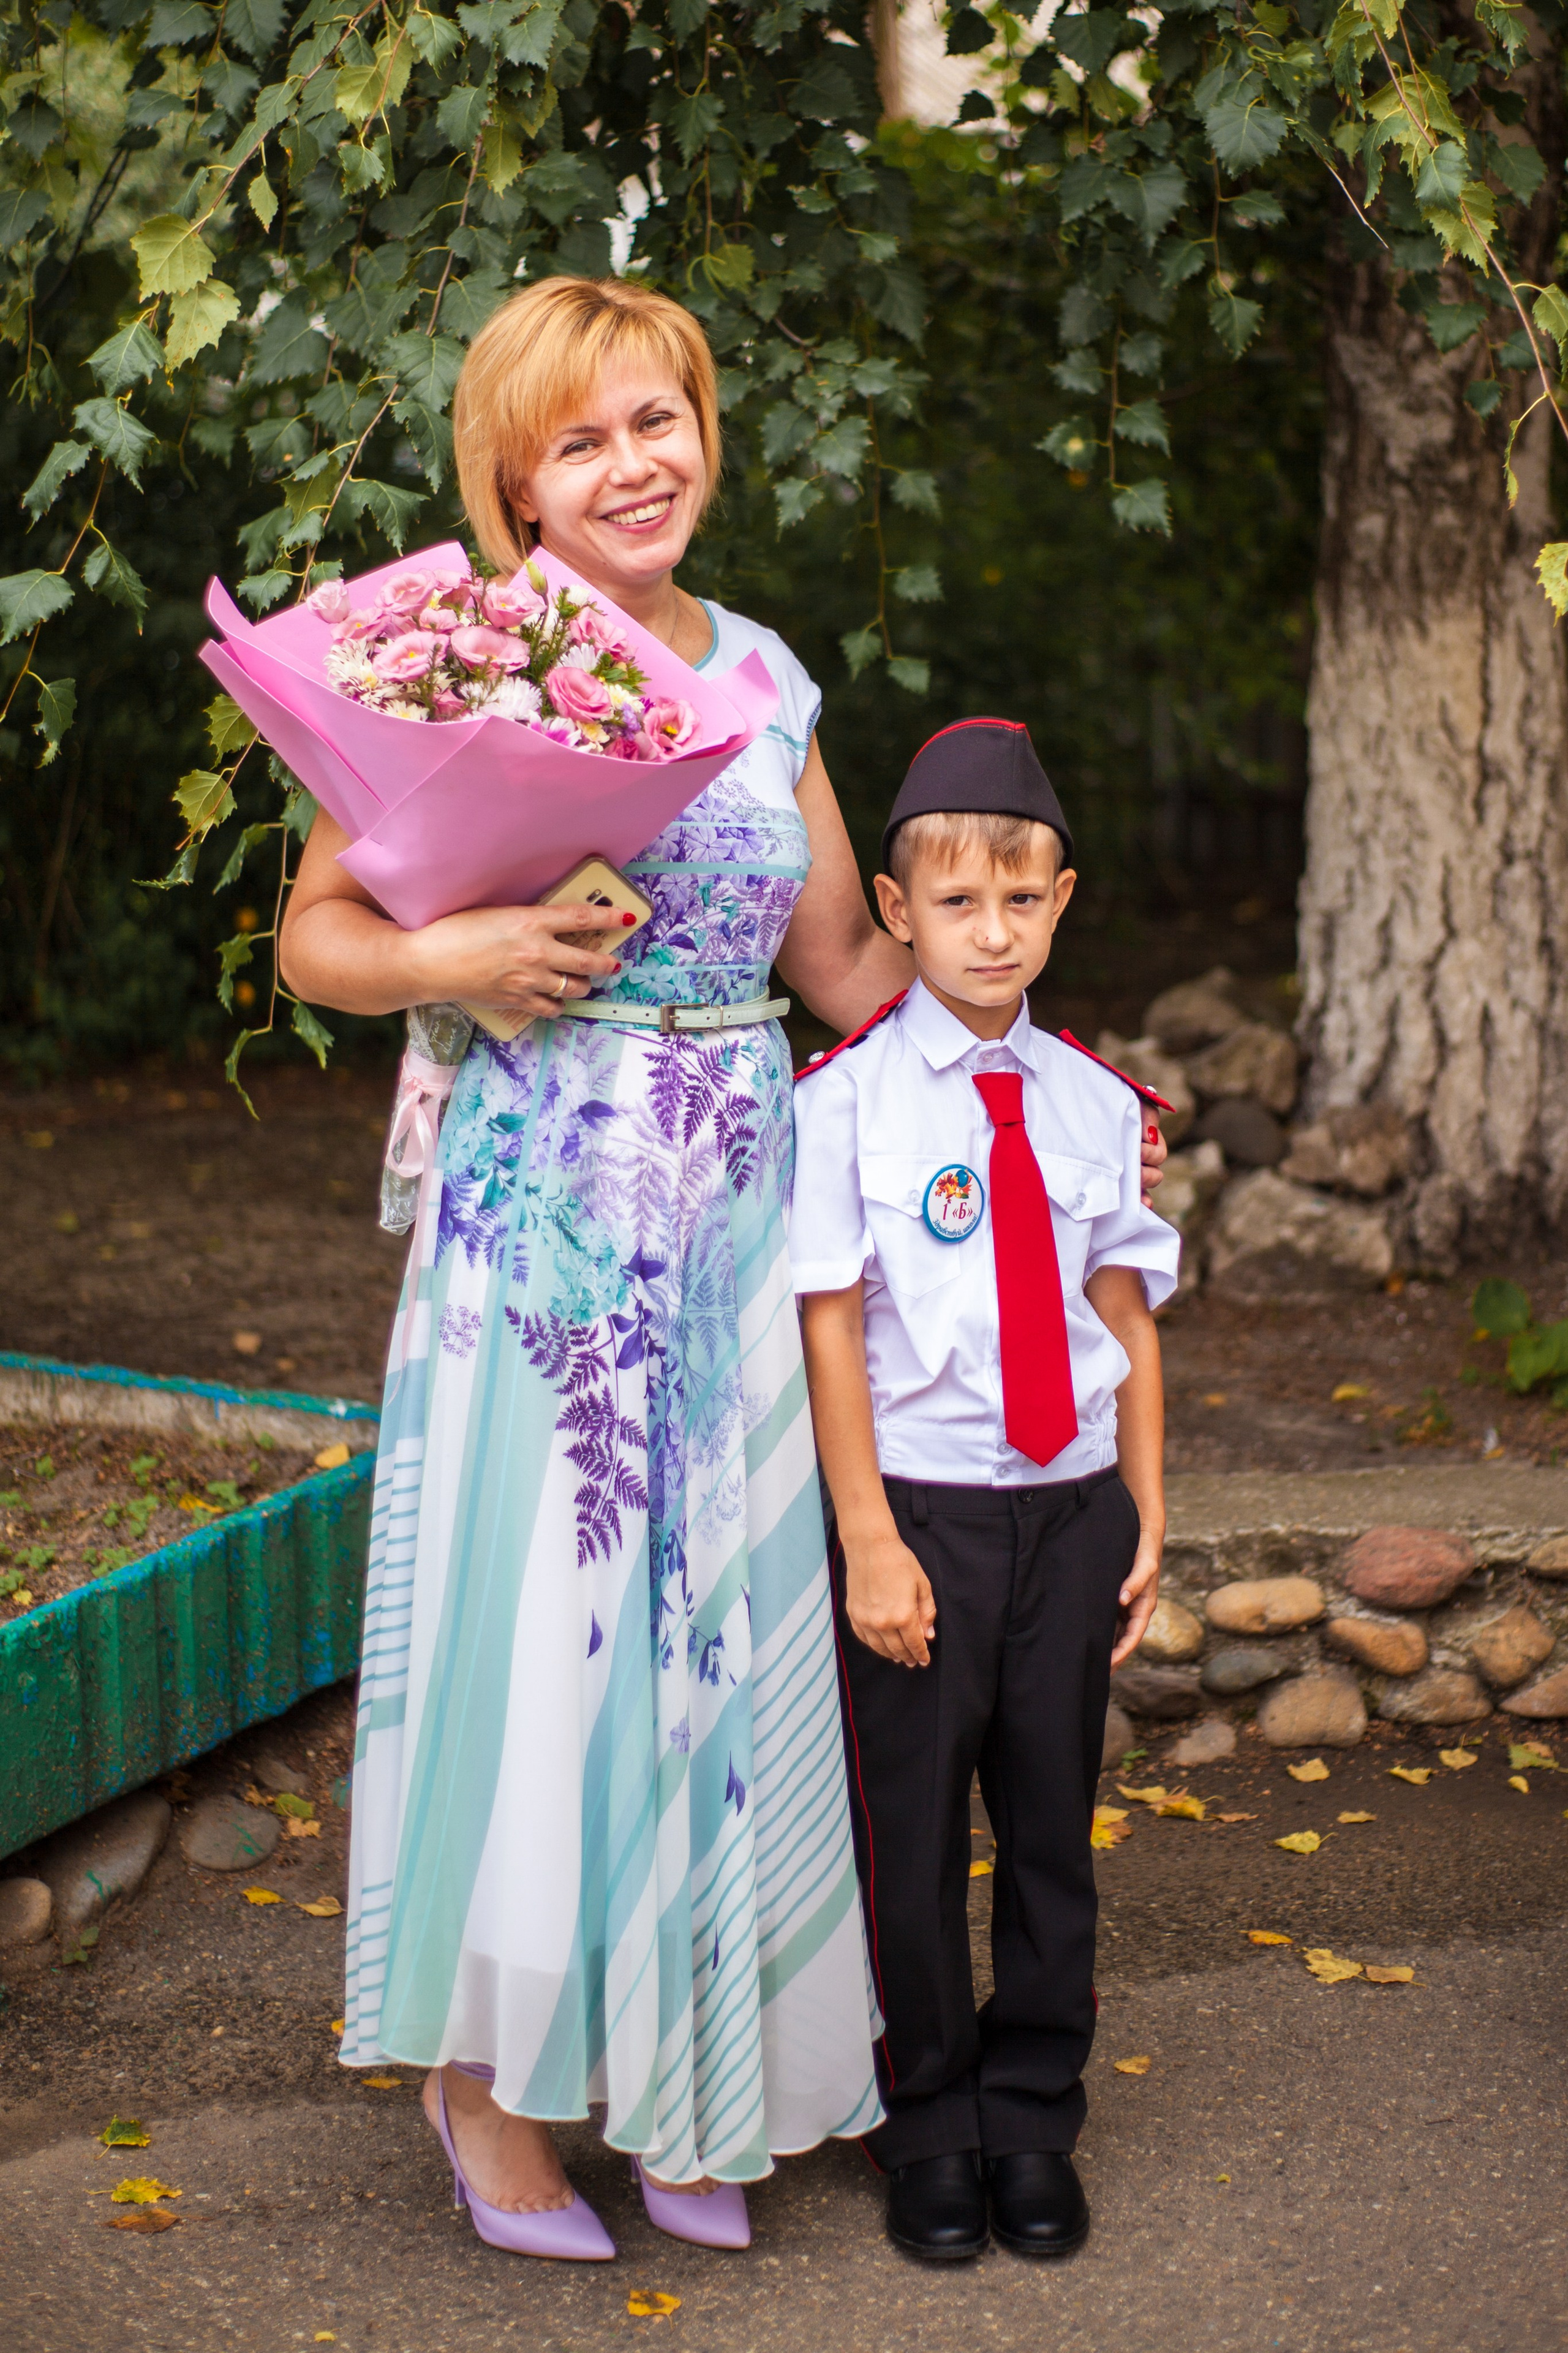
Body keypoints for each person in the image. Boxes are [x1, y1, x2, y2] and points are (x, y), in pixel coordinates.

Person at [279, 277, 1168, 2262]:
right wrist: (451, 961)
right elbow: (314, 938)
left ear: (704, 431)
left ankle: (701, 2067)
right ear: (517, 475)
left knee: (732, 1642)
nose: (635, 462)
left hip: (752, 1214)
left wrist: (1036, 1045)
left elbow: (849, 972)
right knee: (560, 1643)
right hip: (550, 1224)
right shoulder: (475, 659)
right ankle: (490, 2088)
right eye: (584, 436)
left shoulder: (767, 674)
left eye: (659, 418)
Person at [790, 717, 1177, 2263]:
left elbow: (1125, 1320)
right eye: (956, 903)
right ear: (895, 912)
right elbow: (829, 1326)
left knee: (1048, 1830)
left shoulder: (1094, 1103)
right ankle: (927, 2121)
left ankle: (1032, 2116)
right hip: (926, 1514)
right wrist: (867, 1539)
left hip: (1069, 1515)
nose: (991, 930)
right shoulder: (845, 1101)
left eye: (1020, 899)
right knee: (908, 1834)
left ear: (1060, 898)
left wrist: (1146, 1512)